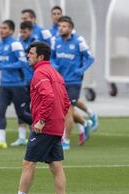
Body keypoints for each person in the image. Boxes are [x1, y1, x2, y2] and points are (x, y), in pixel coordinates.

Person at [12, 42, 70, 194]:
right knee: (55, 165)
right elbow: (66, 102)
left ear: (40, 57)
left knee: (28, 163)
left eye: (31, 53)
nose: (28, 56)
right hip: (56, 125)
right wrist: (58, 117)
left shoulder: (40, 73)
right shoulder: (56, 73)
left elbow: (49, 96)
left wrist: (42, 120)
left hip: (44, 127)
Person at [51, 16, 94, 147]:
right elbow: (51, 57)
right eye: (59, 26)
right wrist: (54, 65)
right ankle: (85, 123)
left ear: (70, 29)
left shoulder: (79, 41)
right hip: (59, 81)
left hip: (74, 81)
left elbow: (90, 58)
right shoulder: (55, 41)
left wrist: (81, 69)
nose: (61, 28)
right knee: (60, 110)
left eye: (64, 26)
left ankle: (66, 141)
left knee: (67, 111)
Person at [0, 20, 32, 149]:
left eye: (5, 28)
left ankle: (41, 131)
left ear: (11, 31)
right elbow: (0, 63)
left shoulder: (15, 44)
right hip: (4, 85)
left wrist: (5, 66)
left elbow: (23, 63)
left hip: (18, 85)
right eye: (1, 28)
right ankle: (1, 140)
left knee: (22, 114)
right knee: (0, 111)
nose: (2, 30)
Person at [11, 21, 36, 147]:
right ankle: (21, 137)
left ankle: (35, 134)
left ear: (31, 31)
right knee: (21, 109)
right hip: (21, 82)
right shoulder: (17, 43)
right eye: (21, 31)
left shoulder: (36, 44)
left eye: (25, 32)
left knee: (34, 109)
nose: (22, 34)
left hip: (34, 81)